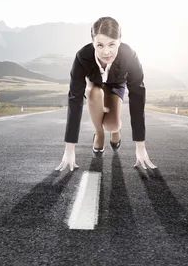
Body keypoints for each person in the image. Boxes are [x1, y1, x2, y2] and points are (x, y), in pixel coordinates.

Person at [55, 16, 157, 172]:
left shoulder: (129, 56)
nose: (106, 52)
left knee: (113, 124)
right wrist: (69, 150)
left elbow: (137, 95)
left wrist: (140, 147)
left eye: (112, 44)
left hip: (116, 86)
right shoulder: (82, 57)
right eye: (100, 45)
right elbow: (75, 98)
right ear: (93, 43)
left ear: (120, 41)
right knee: (94, 92)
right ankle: (99, 134)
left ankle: (115, 129)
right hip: (94, 86)